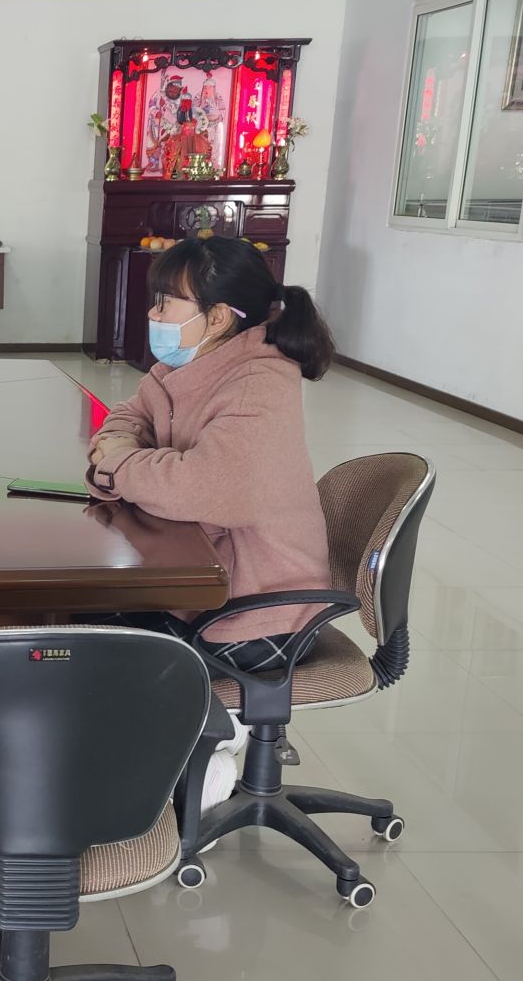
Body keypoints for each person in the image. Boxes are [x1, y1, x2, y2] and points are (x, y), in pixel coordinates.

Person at [85, 235, 335, 677]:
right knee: (75, 621)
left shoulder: (257, 385)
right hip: (200, 582)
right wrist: (122, 453)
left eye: (166, 302)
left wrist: (119, 464)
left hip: (257, 616)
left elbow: (199, 488)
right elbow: (126, 418)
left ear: (217, 317)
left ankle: (190, 723)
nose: (153, 313)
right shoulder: (183, 366)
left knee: (84, 655)